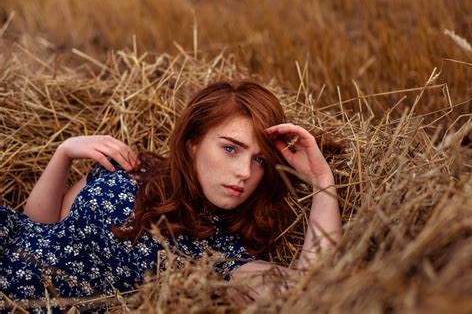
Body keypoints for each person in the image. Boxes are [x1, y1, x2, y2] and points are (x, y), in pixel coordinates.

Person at [0, 80, 342, 310]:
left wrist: (322, 182)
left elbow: (311, 291)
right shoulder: (137, 168)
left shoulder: (218, 254)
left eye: (259, 160)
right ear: (193, 143)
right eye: (229, 148)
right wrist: (64, 152)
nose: (244, 172)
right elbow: (36, 228)